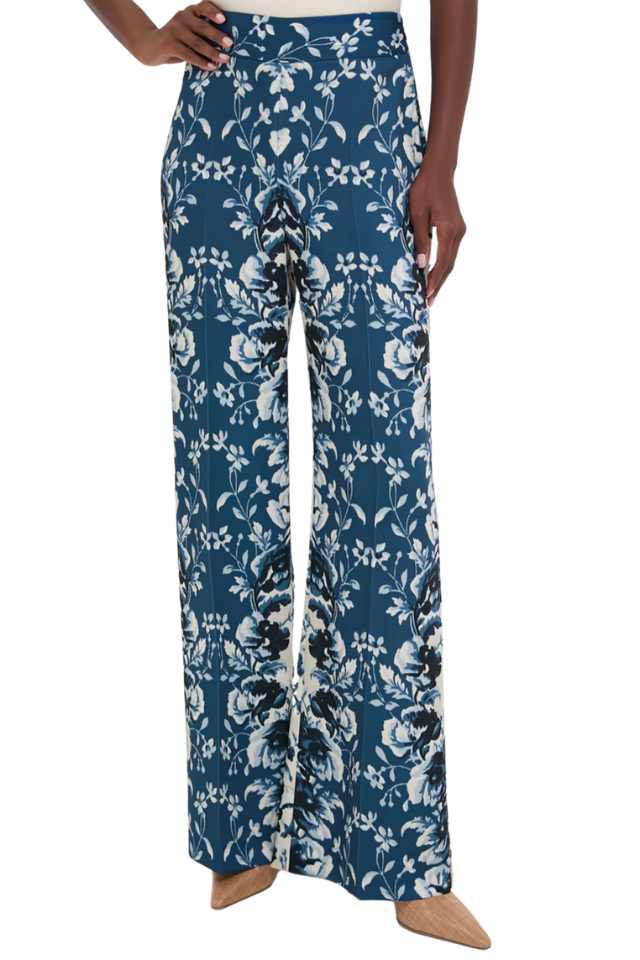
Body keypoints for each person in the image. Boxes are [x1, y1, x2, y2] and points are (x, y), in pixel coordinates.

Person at [84, 0, 488, 948]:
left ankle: (402, 857)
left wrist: (441, 159)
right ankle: (241, 831)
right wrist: (142, 37)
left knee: (384, 488)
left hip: (367, 101)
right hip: (220, 116)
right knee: (222, 479)